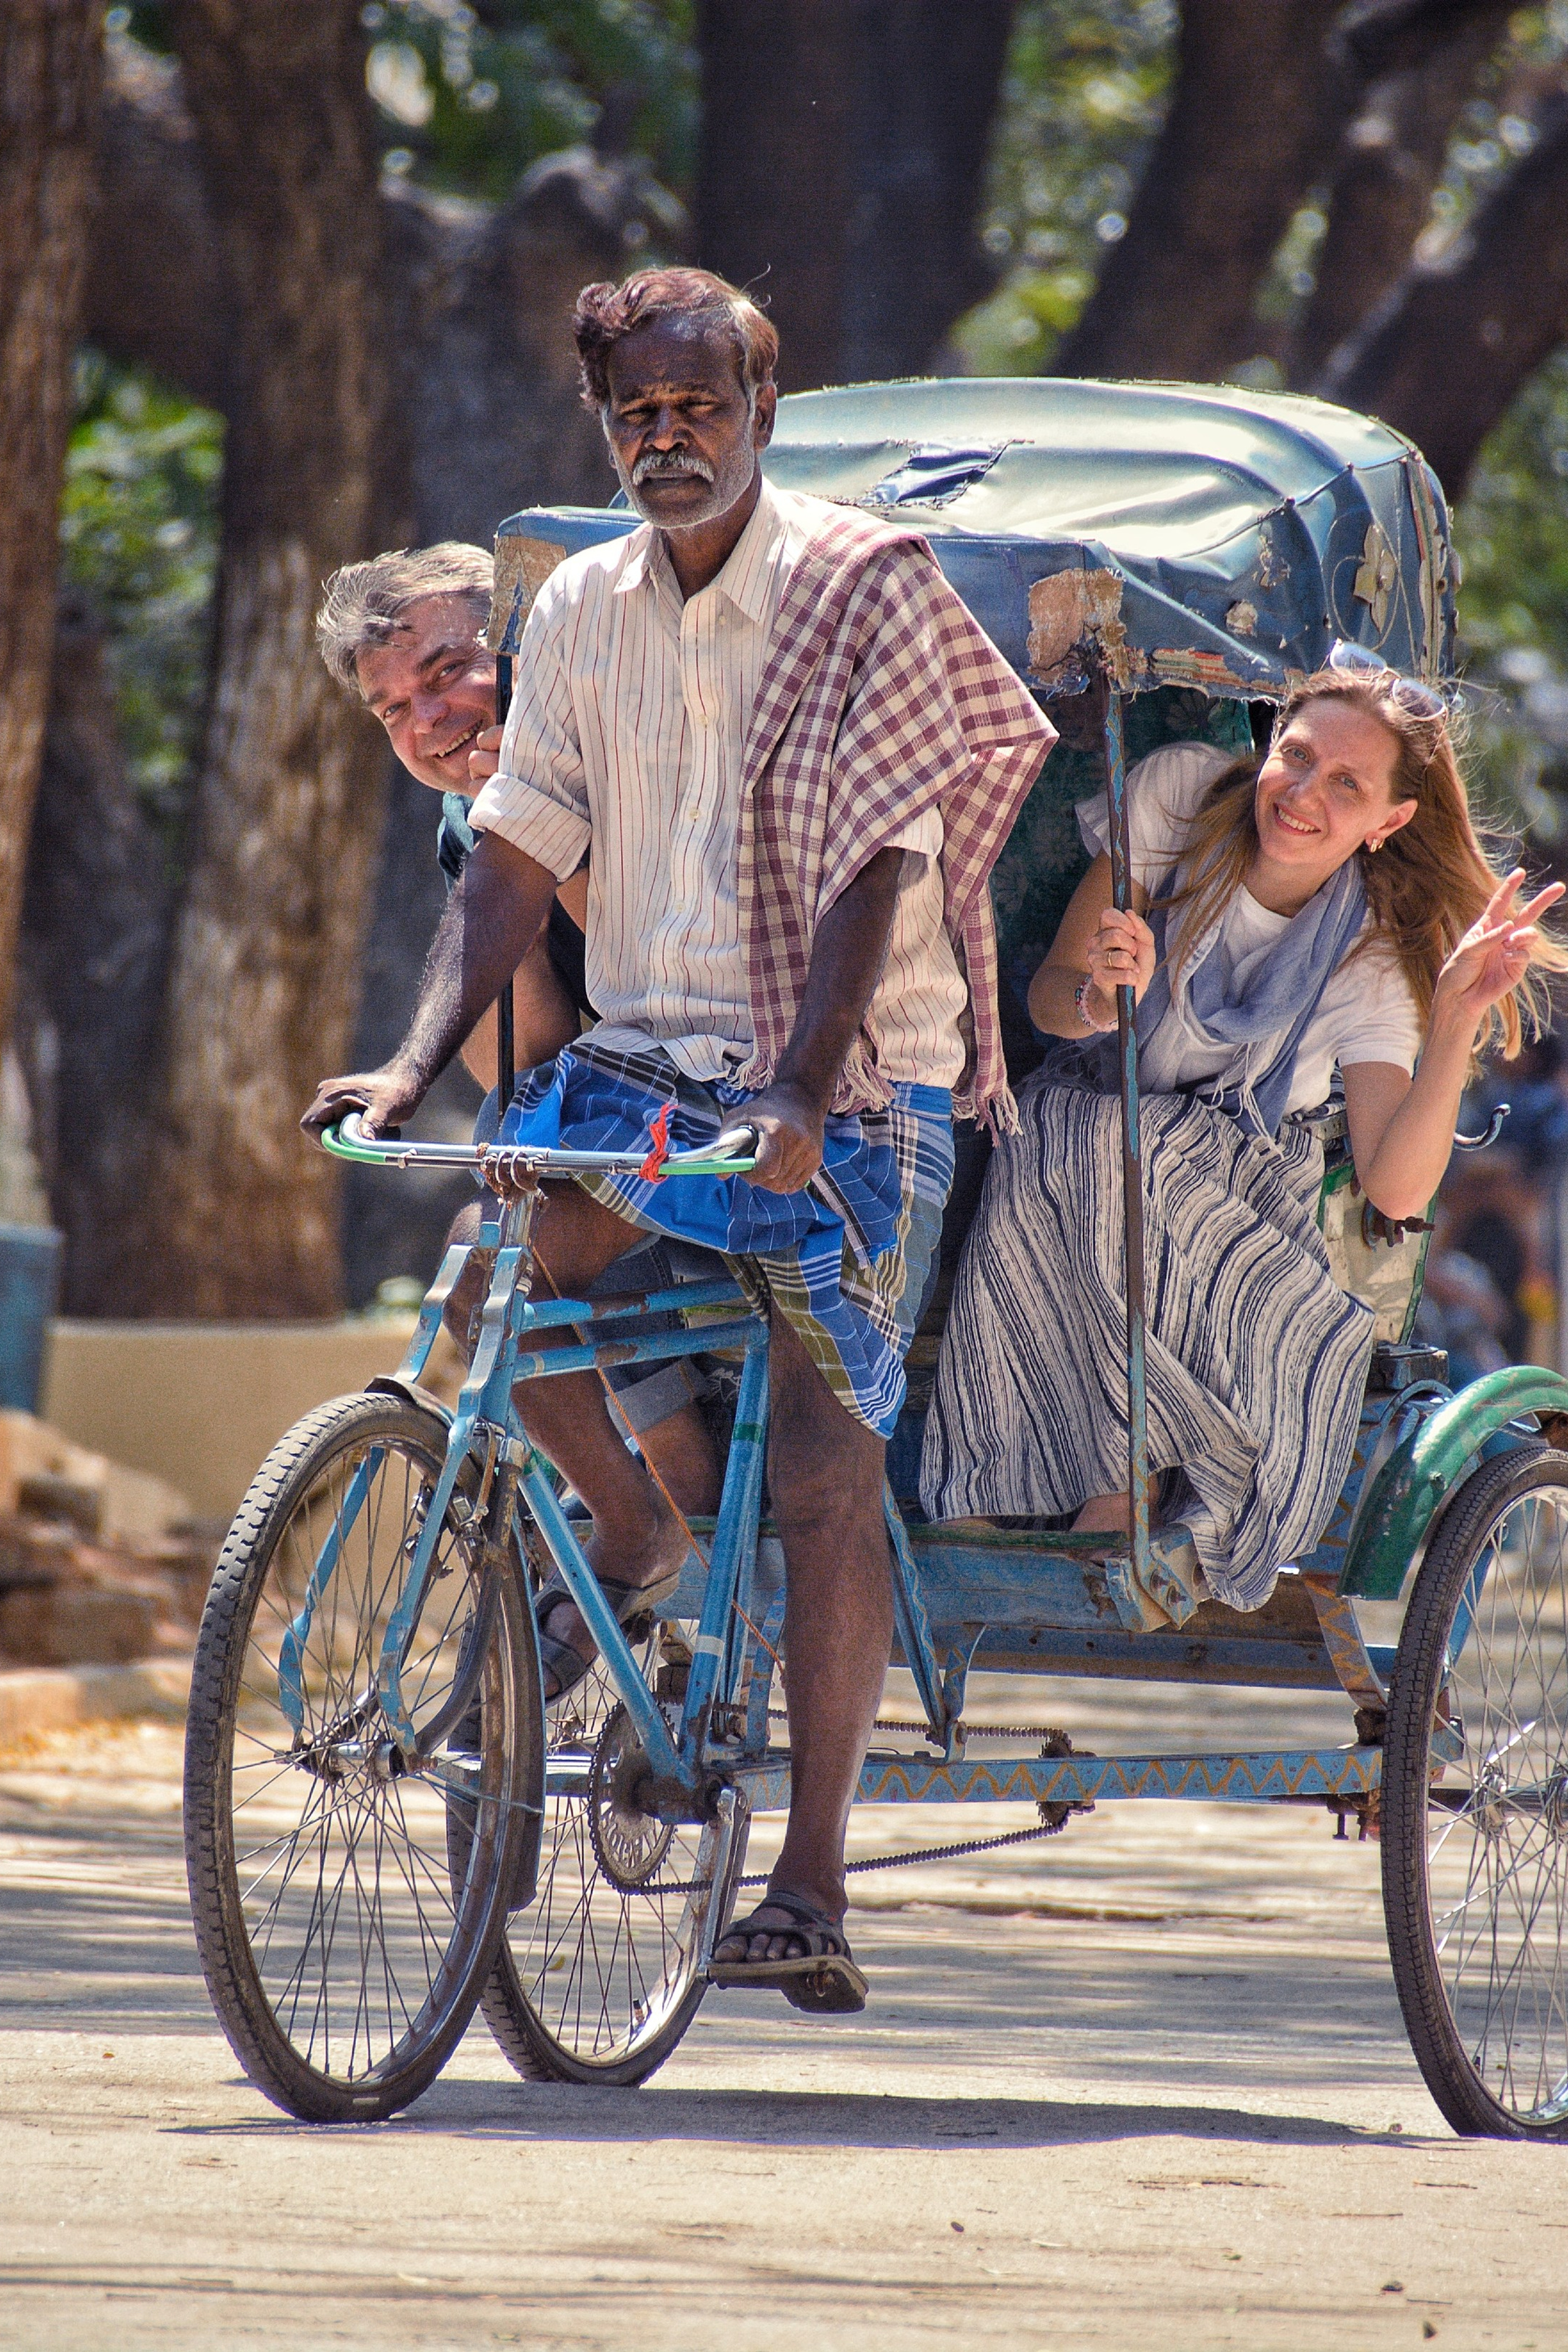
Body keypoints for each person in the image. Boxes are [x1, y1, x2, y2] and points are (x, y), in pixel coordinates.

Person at [304, 264, 1053, 2010]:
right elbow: (514, 857)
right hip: (648, 1070)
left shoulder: (861, 583)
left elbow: (881, 858)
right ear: (602, 422)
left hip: (856, 1076)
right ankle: (635, 1542)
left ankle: (810, 1882)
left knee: (823, 1466)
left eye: (698, 404)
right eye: (635, 410)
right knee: (503, 1289)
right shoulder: (573, 608)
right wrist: (405, 1071)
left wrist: (801, 1085)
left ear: (759, 409)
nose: (667, 435)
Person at [921, 652, 1566, 1613]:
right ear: (1269, 745)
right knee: (1066, 1129)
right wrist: (1098, 994)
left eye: (1346, 785)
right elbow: (1051, 1000)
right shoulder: (1178, 798)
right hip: (1085, 1141)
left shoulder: (1371, 956)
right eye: (1296, 756)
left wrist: (1454, 1017)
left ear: (1389, 822)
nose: (1303, 795)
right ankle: (1023, 1485)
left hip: (1241, 1206)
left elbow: (1395, 1190)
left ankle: (1134, 1484)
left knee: (1116, 1145)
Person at [314, 541, 720, 1509]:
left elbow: (659, 974)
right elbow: (530, 1052)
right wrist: (504, 869)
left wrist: (542, 830)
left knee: (504, 1244)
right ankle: (652, 1506)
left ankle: (663, 1509)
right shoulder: (467, 818)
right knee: (500, 1212)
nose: (426, 720)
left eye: (448, 671)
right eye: (391, 710)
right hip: (623, 1118)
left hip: (733, 1095)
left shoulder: (640, 749)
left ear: (531, 651)